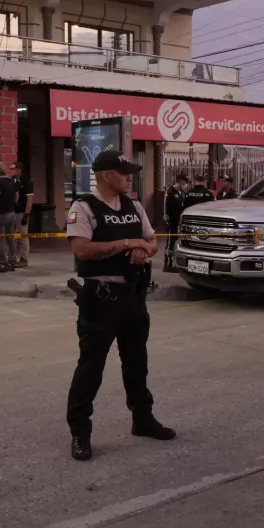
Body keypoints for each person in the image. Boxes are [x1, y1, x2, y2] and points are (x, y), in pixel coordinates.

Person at [65, 150, 175, 461]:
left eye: (130, 172)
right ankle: (80, 432)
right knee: (91, 368)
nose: (130, 176)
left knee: (137, 362)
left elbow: (152, 241)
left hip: (133, 296)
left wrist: (144, 250)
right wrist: (127, 244)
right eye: (123, 171)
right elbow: (83, 249)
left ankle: (142, 419)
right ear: (104, 175)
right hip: (100, 299)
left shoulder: (133, 205)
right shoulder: (84, 207)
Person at [163, 173, 188, 272]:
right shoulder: (170, 192)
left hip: (179, 223)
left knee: (176, 244)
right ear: (180, 181)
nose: (185, 184)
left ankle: (175, 263)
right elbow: (165, 210)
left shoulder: (181, 193)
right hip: (172, 223)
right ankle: (168, 264)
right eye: (185, 182)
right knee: (170, 244)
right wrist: (167, 222)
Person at [11, 162, 34, 269]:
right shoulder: (14, 182)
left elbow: (30, 200)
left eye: (13, 169)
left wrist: (26, 214)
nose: (11, 171)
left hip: (22, 212)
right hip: (13, 212)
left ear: (19, 170)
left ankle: (24, 259)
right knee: (14, 237)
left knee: (23, 235)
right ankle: (14, 257)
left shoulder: (27, 182)